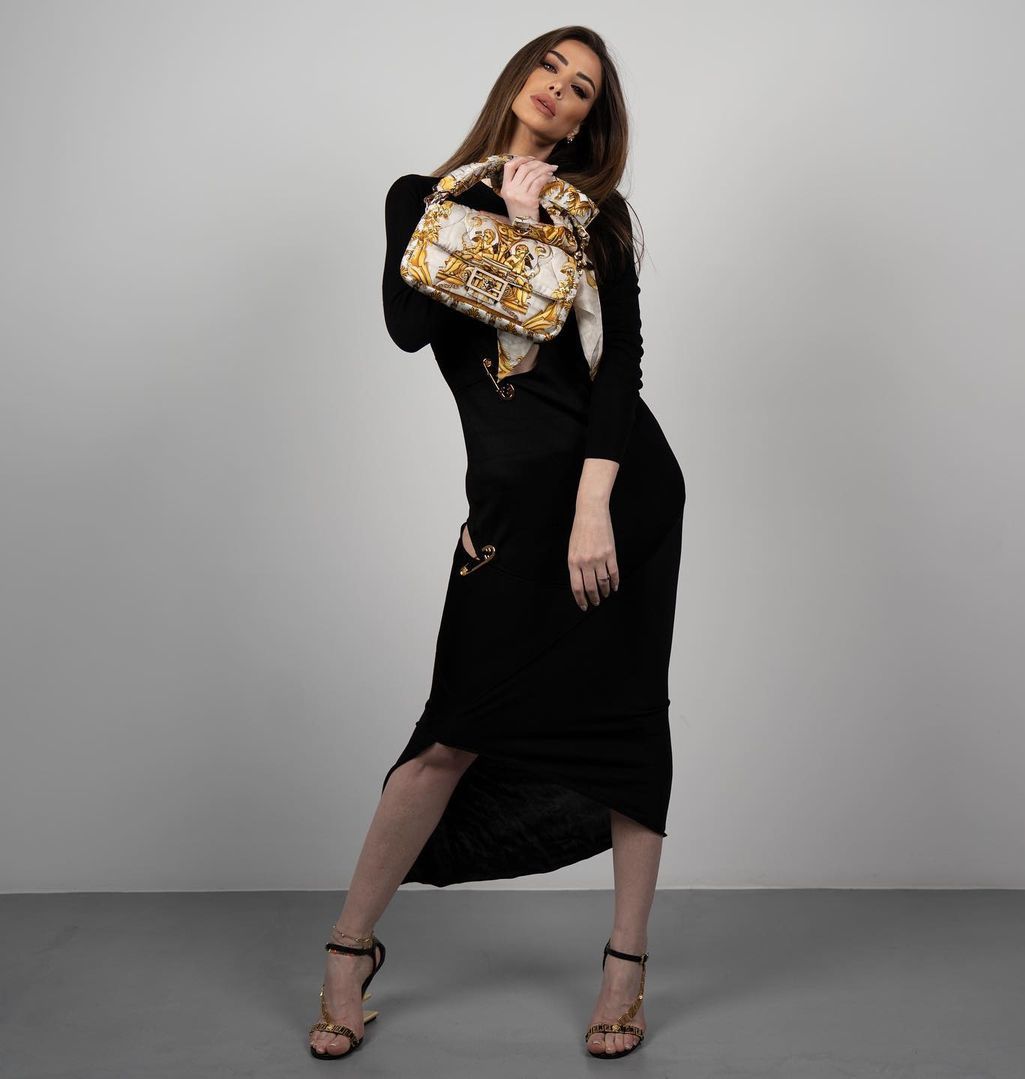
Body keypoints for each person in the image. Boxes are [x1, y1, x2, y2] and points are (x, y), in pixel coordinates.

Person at [308, 26, 686, 1062]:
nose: (560, 91)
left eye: (583, 87)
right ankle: (349, 950)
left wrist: (595, 506)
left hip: (620, 497)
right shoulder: (424, 201)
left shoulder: (598, 219)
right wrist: (514, 231)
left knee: (627, 728)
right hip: (511, 511)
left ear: (592, 118)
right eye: (550, 69)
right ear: (519, 78)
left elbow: (619, 370)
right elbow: (408, 324)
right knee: (450, 731)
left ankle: (625, 966)